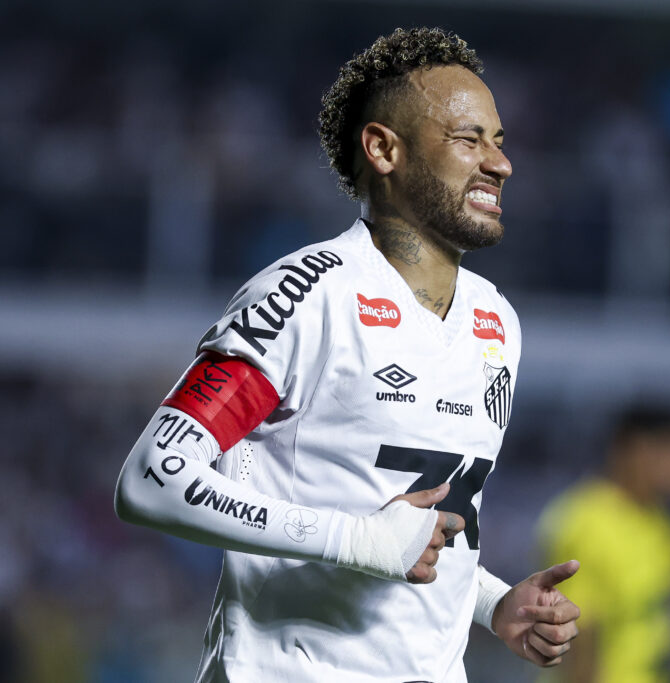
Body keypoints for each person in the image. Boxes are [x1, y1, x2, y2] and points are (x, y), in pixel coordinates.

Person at [114, 27, 580, 683]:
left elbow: (405, 528)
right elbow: (153, 477)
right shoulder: (307, 296)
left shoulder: (495, 320)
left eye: (498, 141)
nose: (500, 164)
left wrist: (492, 603)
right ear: (384, 148)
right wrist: (355, 540)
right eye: (468, 139)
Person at [538, 408, 670, 683]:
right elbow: (575, 637)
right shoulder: (585, 522)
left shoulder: (660, 524)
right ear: (629, 449)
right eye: (665, 450)